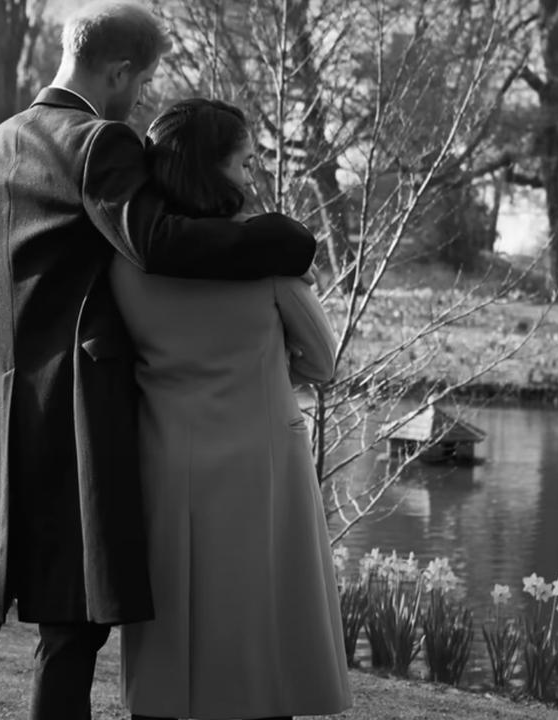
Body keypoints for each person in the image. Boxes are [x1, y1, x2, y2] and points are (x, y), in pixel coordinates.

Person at [0, 3, 318, 719]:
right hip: (74, 409)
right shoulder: (99, 141)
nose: (139, 100)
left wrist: (10, 348)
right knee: (71, 626)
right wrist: (285, 242)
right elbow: (156, 242)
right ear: (119, 69)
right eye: (140, 82)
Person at [113, 98, 352, 720]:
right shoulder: (264, 258)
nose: (251, 178)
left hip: (166, 454)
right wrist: (271, 366)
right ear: (212, 169)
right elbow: (324, 363)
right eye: (245, 163)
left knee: (174, 608)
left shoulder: (122, 262)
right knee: (262, 608)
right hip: (262, 456)